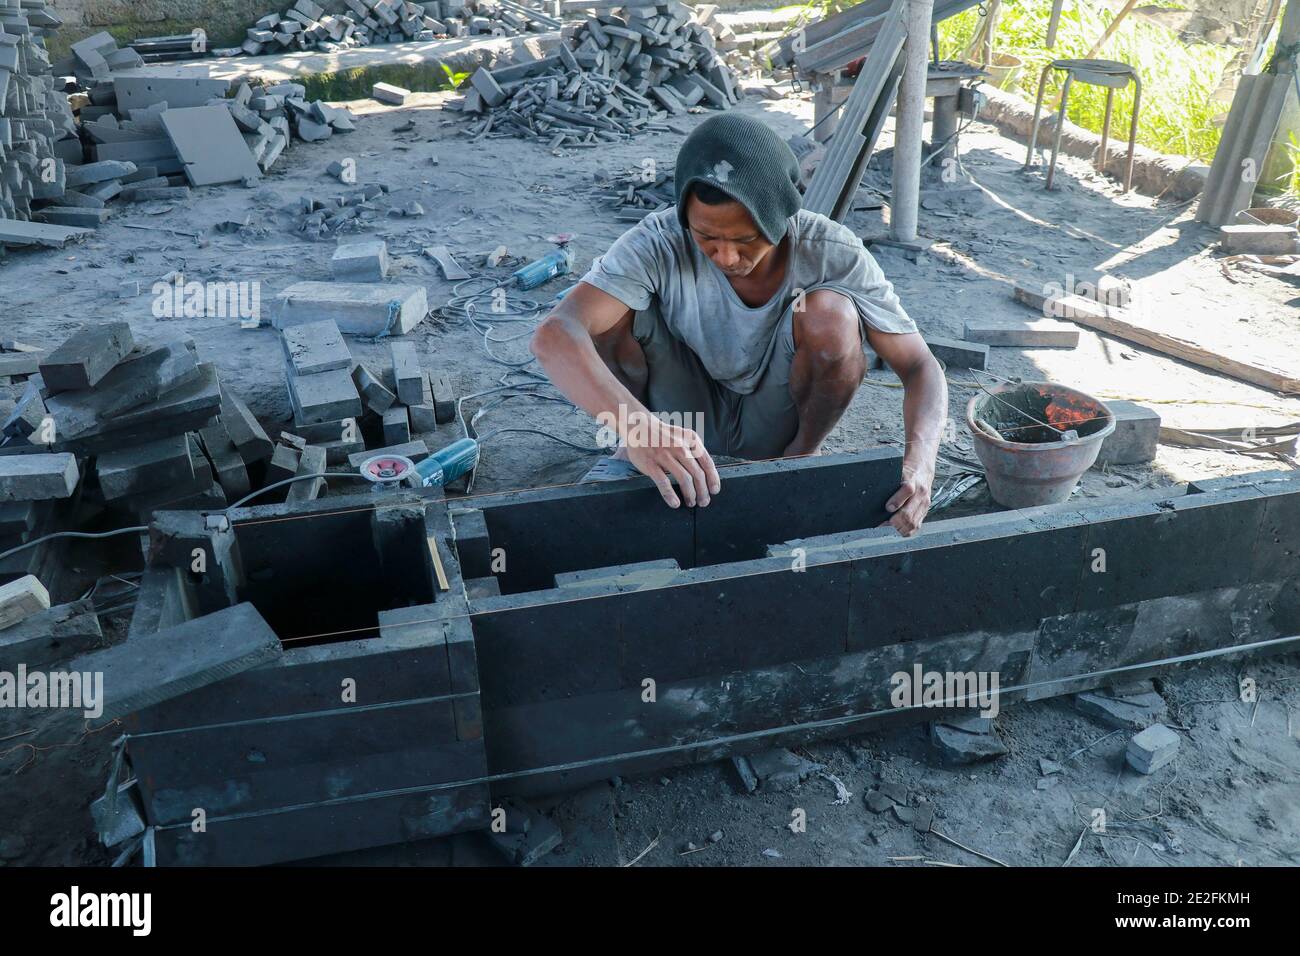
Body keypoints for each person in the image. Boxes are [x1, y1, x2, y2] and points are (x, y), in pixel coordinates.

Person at [531, 113, 947, 536]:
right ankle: (634, 454)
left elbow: (919, 367)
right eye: (706, 238)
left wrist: (921, 462)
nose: (726, 258)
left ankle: (798, 464)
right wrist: (638, 428)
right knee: (611, 311)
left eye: (747, 240)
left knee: (830, 314)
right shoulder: (657, 241)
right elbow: (554, 334)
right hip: (680, 416)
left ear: (782, 217)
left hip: (775, 421)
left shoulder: (831, 252)